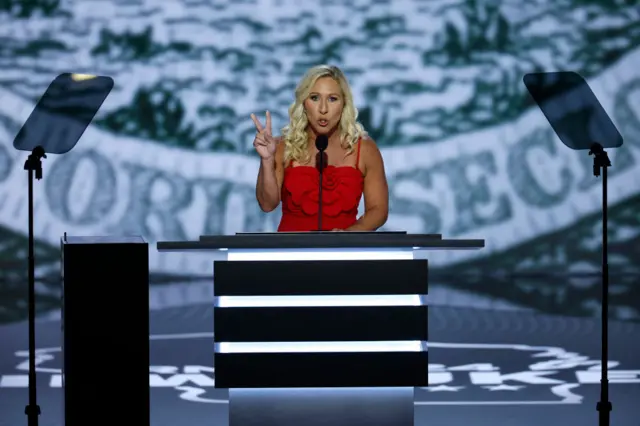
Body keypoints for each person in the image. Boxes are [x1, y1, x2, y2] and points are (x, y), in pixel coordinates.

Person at [253, 65, 389, 232]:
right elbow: (267, 205)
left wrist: (350, 234)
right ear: (303, 103)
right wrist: (266, 160)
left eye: (332, 99)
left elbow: (378, 210)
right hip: (291, 253)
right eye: (315, 98)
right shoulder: (283, 146)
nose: (323, 109)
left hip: (344, 253)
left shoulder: (365, 149)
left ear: (344, 104)